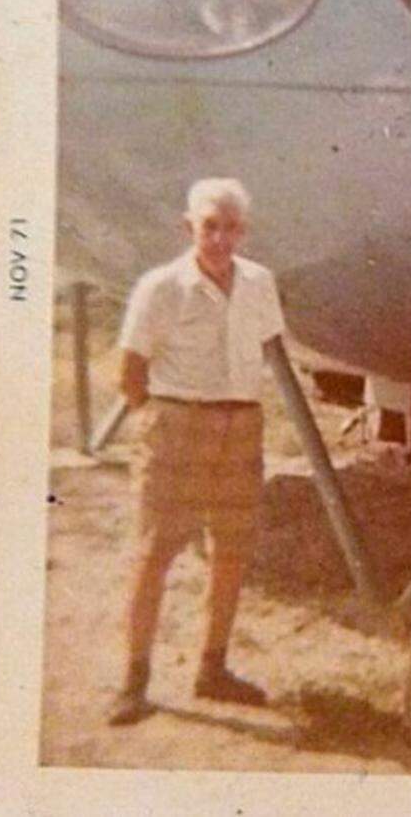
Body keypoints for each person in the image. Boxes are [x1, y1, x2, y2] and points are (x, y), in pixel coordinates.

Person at [107, 178, 285, 726]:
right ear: (189, 227)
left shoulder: (258, 282)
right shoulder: (160, 287)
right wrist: (163, 422)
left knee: (231, 551)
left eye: (232, 227)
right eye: (211, 225)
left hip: (242, 428)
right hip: (177, 425)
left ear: (244, 231)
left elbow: (264, 346)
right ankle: (133, 681)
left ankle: (213, 669)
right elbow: (130, 371)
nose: (221, 237)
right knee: (154, 553)